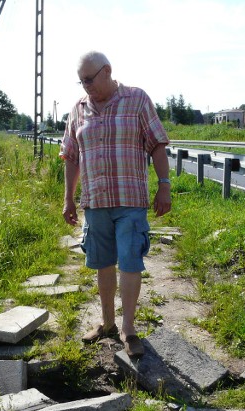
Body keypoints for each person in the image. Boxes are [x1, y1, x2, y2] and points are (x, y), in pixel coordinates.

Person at [60, 51, 171, 357]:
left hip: (131, 200)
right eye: (81, 81)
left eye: (89, 80)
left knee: (131, 261)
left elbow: (158, 144)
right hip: (95, 202)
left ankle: (129, 328)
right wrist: (69, 199)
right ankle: (107, 324)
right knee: (102, 262)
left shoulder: (136, 100)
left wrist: (164, 185)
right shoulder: (78, 110)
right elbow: (71, 157)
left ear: (107, 71)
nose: (85, 87)